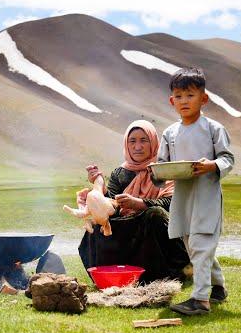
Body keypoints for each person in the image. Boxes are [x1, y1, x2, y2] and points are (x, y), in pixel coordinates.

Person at [157, 67, 234, 316]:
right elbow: (161, 165)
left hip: (207, 196)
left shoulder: (214, 128)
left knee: (201, 244)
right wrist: (156, 174)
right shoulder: (169, 133)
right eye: (178, 96)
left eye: (190, 95)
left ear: (204, 98)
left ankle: (200, 300)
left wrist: (212, 165)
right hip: (183, 197)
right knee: (193, 245)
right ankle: (218, 288)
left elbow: (227, 158)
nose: (184, 101)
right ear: (172, 101)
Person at [77, 119, 190, 283]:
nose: (138, 146)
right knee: (97, 224)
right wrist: (99, 193)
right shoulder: (120, 173)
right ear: (126, 145)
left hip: (153, 227)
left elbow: (173, 203)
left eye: (144, 140)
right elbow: (113, 207)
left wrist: (139, 203)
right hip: (127, 228)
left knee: (155, 214)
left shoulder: (164, 169)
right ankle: (108, 274)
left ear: (153, 142)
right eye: (132, 141)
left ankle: (165, 273)